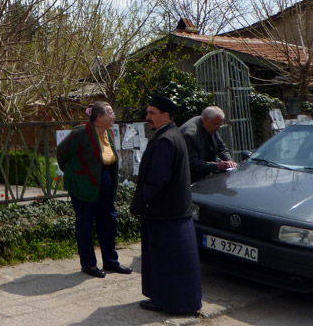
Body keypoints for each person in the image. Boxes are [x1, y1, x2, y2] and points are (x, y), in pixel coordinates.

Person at [131, 95, 202, 315]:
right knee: (173, 261)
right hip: (174, 211)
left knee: (165, 260)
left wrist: (142, 200)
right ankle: (173, 300)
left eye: (152, 113)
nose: (147, 117)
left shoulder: (165, 140)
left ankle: (167, 301)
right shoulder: (173, 134)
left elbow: (157, 179)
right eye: (148, 112)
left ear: (166, 115)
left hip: (164, 212)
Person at [56, 101, 132, 278]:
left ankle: (111, 261)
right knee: (85, 223)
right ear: (99, 117)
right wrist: (76, 172)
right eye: (110, 113)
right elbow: (62, 151)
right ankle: (89, 264)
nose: (114, 116)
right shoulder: (81, 132)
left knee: (108, 220)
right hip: (84, 185)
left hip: (104, 181)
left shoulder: (108, 132)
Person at [180, 106, 237, 183]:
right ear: (206, 120)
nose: (218, 129)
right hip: (191, 180)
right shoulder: (190, 134)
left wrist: (229, 162)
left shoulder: (210, 126)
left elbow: (221, 148)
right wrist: (217, 166)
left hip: (206, 175)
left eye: (220, 126)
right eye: (216, 125)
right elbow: (192, 162)